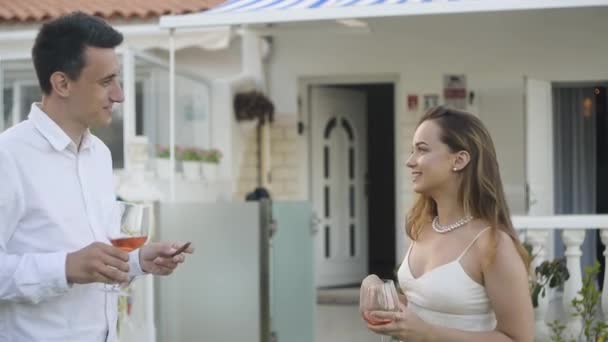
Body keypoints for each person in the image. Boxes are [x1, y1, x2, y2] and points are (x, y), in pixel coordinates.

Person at [0, 12, 193, 341]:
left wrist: (137, 261)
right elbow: (75, 263)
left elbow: (95, 260)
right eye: (106, 82)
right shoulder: (8, 156)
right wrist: (64, 267)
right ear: (62, 83)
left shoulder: (100, 156)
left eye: (118, 80)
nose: (119, 95)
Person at [361, 106, 533, 341]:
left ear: (459, 160)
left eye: (421, 150)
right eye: (412, 151)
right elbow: (425, 304)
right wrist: (376, 289)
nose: (410, 162)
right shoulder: (421, 227)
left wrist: (427, 334)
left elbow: (519, 339)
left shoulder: (493, 244)